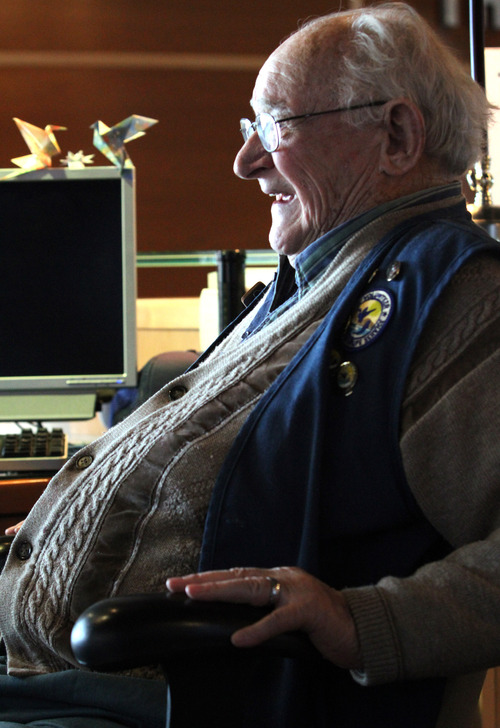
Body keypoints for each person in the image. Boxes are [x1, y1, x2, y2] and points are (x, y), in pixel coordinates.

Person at [1, 3, 499, 727]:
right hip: (59, 686)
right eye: (250, 128)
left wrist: (362, 620)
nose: (245, 160)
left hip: (150, 702)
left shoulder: (456, 296)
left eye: (276, 126)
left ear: (395, 134)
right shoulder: (315, 279)